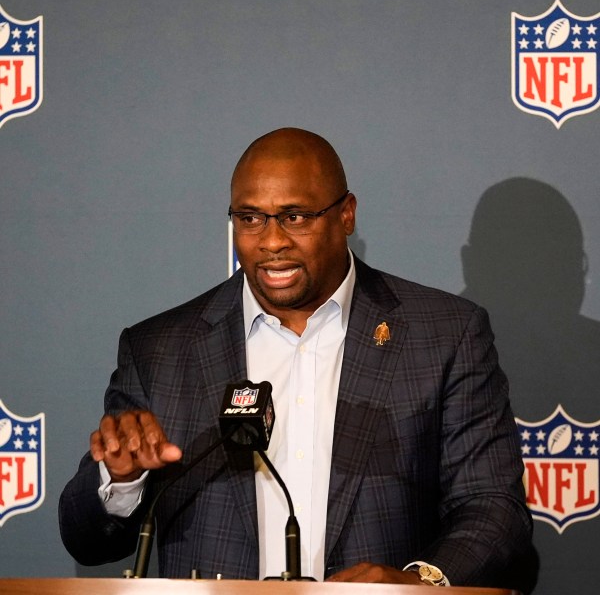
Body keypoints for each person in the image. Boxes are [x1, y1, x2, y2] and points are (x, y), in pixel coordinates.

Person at [59, 127, 532, 587]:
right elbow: (87, 540)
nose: (271, 241)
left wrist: (417, 583)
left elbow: (493, 508)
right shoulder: (160, 350)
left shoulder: (444, 334)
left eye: (295, 217)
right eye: (249, 218)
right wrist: (121, 478)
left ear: (346, 214)